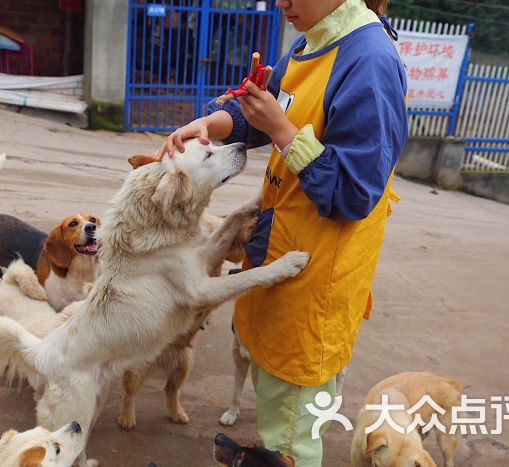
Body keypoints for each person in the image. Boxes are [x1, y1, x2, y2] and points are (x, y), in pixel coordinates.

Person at [157, 0, 407, 465]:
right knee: (277, 412)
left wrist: (283, 130)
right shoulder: (314, 40)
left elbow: (353, 193)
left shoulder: (368, 61)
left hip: (312, 286)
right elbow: (265, 114)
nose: (280, 3)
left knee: (290, 442)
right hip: (279, 260)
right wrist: (210, 125)